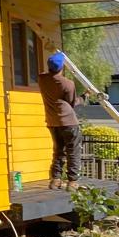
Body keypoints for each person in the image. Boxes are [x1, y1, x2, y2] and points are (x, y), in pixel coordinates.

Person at [38, 51, 83, 189]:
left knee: (58, 150)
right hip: (69, 122)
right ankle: (72, 182)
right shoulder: (68, 84)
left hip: (53, 122)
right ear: (62, 67)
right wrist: (84, 97)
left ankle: (55, 180)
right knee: (73, 150)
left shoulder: (42, 79)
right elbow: (73, 103)